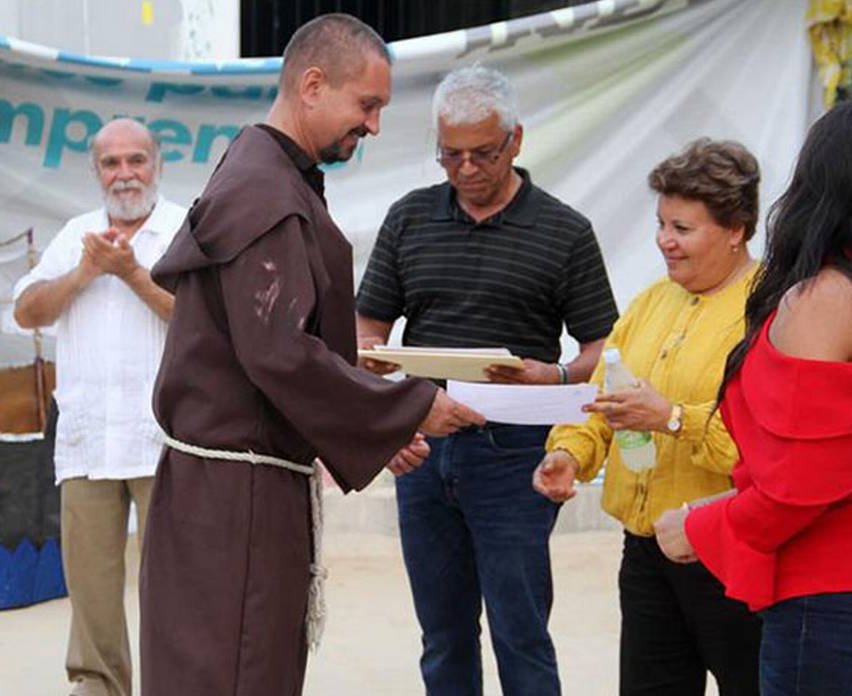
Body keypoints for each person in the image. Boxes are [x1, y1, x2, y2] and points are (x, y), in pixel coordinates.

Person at [138, 14, 483, 696]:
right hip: (237, 501)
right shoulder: (264, 190)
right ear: (314, 85)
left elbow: (267, 348)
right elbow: (278, 353)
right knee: (235, 675)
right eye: (368, 105)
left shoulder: (263, 173)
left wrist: (374, 424)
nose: (374, 125)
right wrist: (409, 405)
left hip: (226, 488)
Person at [356, 65, 618, 696]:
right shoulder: (409, 218)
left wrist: (554, 374)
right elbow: (367, 331)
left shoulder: (564, 231)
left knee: (520, 632)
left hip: (516, 454)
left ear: (516, 140)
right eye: (450, 154)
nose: (466, 169)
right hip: (424, 447)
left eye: (483, 153)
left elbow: (605, 350)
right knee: (442, 635)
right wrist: (386, 407)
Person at [533, 138, 763, 696]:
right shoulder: (652, 301)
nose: (664, 240)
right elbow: (600, 397)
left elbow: (765, 442)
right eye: (661, 223)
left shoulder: (769, 309)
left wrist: (674, 418)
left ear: (736, 229)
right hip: (646, 550)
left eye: (682, 228)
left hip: (734, 552)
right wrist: (569, 453)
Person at [655, 104, 852, 695]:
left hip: (828, 598)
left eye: (682, 227)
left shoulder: (826, 299)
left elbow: (801, 486)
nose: (666, 241)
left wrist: (704, 525)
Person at [13, 118, 185, 696]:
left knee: (176, 585)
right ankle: (97, 685)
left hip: (163, 439)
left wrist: (132, 274)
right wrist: (86, 271)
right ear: (96, 171)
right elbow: (28, 311)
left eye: (136, 160)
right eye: (111, 163)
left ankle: (177, 685)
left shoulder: (183, 229)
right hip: (88, 441)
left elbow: (202, 319)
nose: (125, 174)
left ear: (157, 164)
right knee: (89, 588)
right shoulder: (77, 235)